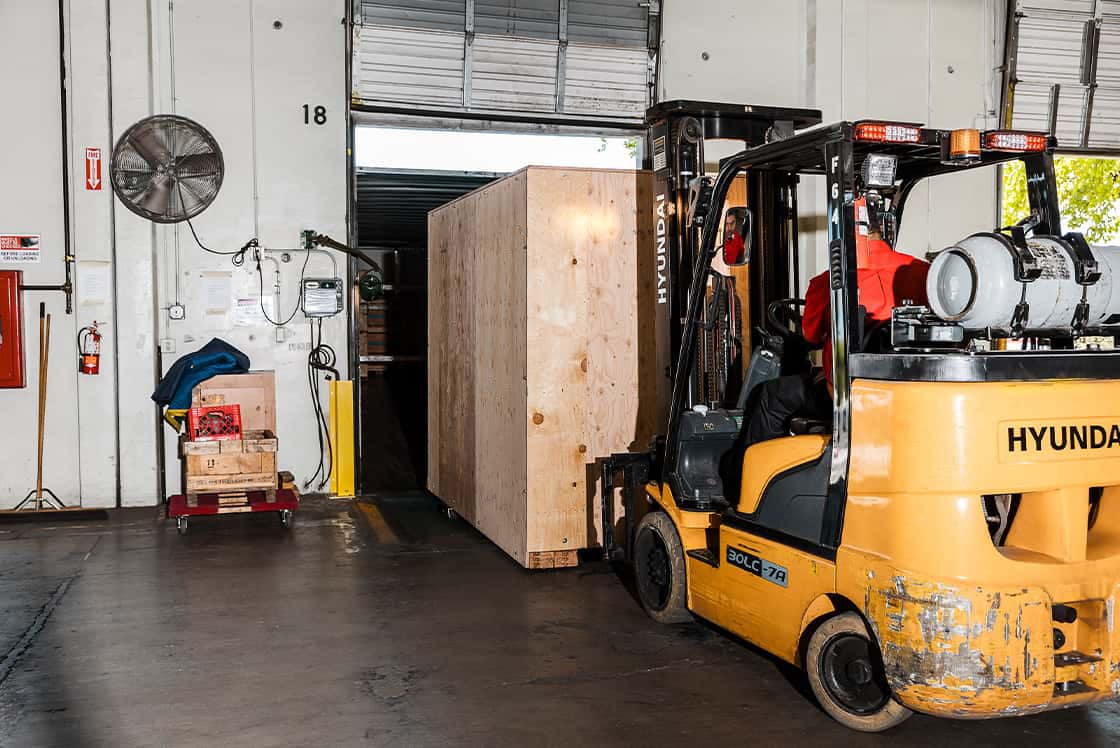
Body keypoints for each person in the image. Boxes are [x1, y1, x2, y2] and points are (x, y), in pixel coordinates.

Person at [721, 204, 930, 500]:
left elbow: (810, 334)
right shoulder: (923, 273)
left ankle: (743, 492)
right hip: (910, 393)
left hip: (850, 396)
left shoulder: (831, 280)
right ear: (882, 229)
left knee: (767, 397)